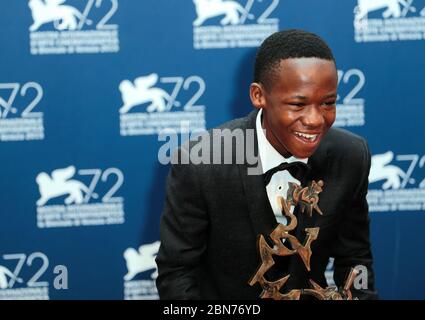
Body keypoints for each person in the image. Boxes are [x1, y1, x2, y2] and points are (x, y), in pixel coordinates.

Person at [155, 29, 377, 300]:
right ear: (259, 96)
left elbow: (355, 260)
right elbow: (177, 274)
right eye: (298, 104)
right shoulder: (201, 163)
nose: (316, 119)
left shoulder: (350, 155)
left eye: (328, 103)